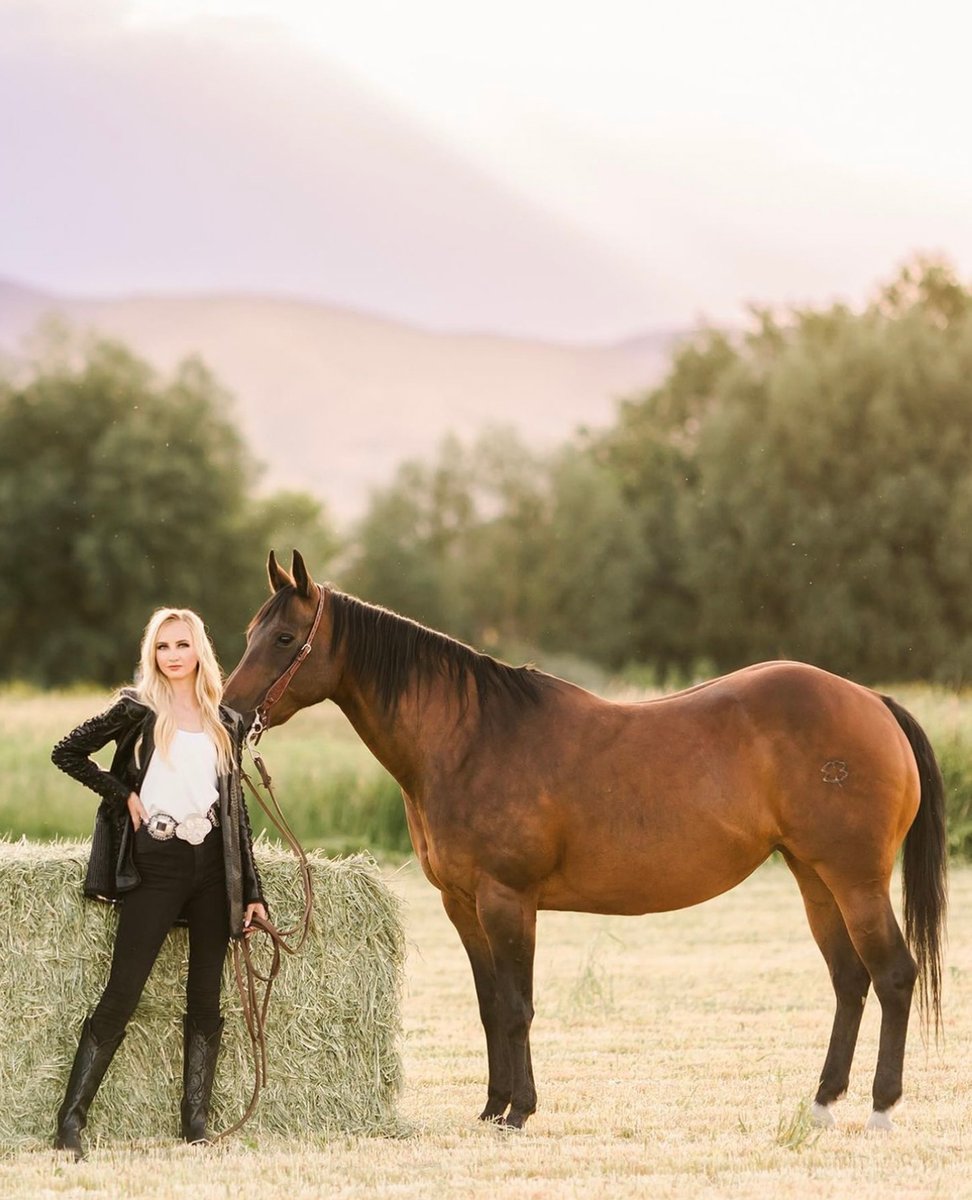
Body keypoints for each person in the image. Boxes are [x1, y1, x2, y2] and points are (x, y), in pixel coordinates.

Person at [50, 607, 267, 1158]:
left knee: (205, 997)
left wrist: (254, 891)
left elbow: (236, 815)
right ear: (153, 653)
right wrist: (122, 792)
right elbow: (67, 752)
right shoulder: (137, 708)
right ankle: (70, 1121)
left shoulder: (226, 720)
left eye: (182, 645)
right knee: (124, 991)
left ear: (199, 651)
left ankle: (195, 1122)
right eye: (163, 646)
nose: (172, 656)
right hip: (157, 861)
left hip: (213, 870)